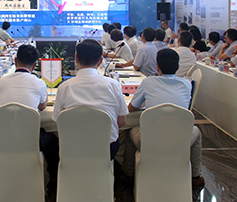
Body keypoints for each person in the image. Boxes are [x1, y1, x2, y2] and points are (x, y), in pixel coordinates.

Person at [122, 48, 204, 189]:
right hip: (180, 140)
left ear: (157, 67)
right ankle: (195, 177)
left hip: (149, 141)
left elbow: (132, 108)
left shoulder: (148, 82)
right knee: (196, 132)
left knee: (130, 132)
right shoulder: (186, 84)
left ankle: (128, 174)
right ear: (178, 67)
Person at [0, 44, 59, 190]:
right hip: (32, 140)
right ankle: (53, 179)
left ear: (15, 61)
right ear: (35, 65)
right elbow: (42, 107)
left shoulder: (0, 82)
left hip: (4, 140)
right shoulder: (39, 83)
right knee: (53, 141)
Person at [52, 39, 127, 160]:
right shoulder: (113, 85)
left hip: (73, 149)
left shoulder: (65, 87)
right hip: (106, 149)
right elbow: (122, 121)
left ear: (76, 59)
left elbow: (58, 121)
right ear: (101, 61)